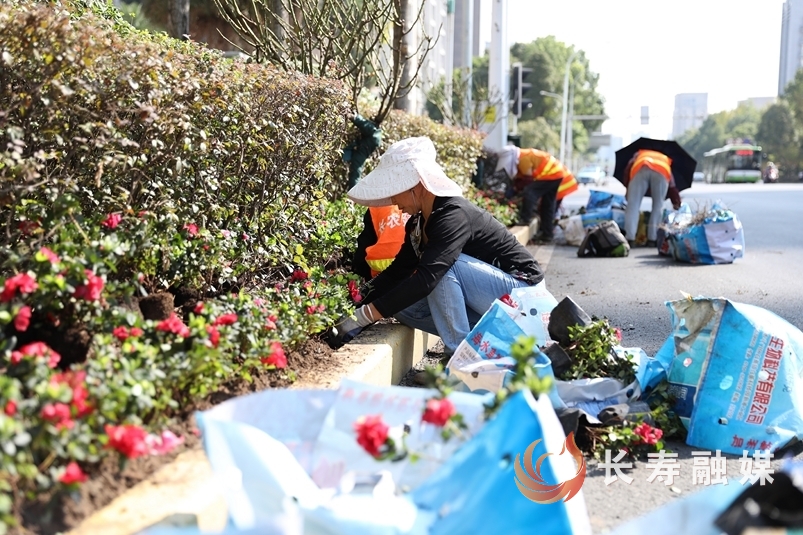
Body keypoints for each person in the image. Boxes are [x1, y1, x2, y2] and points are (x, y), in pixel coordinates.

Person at [327, 137, 544, 359]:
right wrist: (350, 304)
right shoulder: (418, 223)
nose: (393, 201)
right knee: (402, 307)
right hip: (493, 298)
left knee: (443, 269)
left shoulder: (453, 215)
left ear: (416, 185)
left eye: (396, 190)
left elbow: (428, 277)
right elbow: (396, 273)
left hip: (524, 295)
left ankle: (461, 359)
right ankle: (496, 343)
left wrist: (362, 317)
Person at [494, 145, 571, 243]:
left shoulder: (523, 158)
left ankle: (525, 218)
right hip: (557, 174)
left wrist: (515, 190)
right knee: (547, 205)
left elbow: (527, 180)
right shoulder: (523, 155)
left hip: (551, 174)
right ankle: (547, 234)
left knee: (529, 193)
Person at [623, 149, 673, 248]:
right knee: (658, 206)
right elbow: (672, 184)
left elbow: (628, 169)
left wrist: (627, 188)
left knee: (633, 205)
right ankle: (652, 239)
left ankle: (630, 239)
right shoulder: (665, 158)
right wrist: (676, 201)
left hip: (641, 167)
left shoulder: (639, 153)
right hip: (661, 171)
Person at [352, 205, 409, 280]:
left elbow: (362, 251)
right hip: (415, 273)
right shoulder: (419, 206)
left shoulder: (377, 205)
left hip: (380, 274)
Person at [342, 113, 382, 189]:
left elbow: (364, 125)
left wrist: (353, 117)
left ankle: (354, 194)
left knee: (355, 174)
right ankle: (353, 194)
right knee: (355, 173)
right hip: (361, 153)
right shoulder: (378, 134)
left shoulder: (373, 131)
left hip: (360, 153)